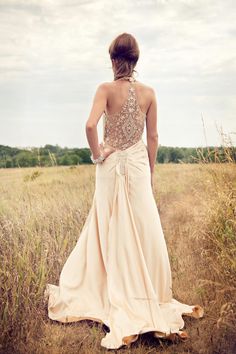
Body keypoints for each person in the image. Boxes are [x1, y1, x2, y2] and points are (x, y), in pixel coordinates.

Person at [44, 32, 204, 350]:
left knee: (108, 227)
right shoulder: (149, 93)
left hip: (110, 164)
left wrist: (97, 154)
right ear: (136, 60)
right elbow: (154, 136)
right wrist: (151, 171)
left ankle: (110, 291)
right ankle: (148, 295)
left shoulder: (105, 89)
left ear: (112, 59)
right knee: (144, 229)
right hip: (138, 166)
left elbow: (90, 126)